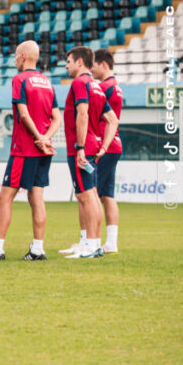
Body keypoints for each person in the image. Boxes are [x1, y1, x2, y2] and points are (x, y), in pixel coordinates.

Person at [0, 41, 60, 261]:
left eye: (14, 56)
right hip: (43, 149)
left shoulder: (19, 80)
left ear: (22, 57)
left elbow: (23, 113)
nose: (13, 60)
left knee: (4, 197)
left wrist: (38, 137)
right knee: (37, 197)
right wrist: (46, 138)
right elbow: (57, 117)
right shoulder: (47, 82)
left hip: (24, 149)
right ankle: (38, 249)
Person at [61, 46, 118, 259]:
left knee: (88, 196)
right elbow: (112, 120)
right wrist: (103, 146)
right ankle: (88, 243)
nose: (66, 65)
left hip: (81, 148)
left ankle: (92, 245)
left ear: (79, 63)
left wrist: (81, 147)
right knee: (88, 194)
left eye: (69, 61)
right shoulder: (95, 86)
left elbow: (82, 113)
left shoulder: (80, 83)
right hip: (92, 146)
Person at [93, 49, 123, 254]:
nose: (91, 70)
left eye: (93, 65)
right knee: (107, 195)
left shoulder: (104, 87)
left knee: (90, 194)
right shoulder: (116, 87)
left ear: (104, 65)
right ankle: (111, 242)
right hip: (114, 144)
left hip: (104, 144)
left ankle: (89, 240)